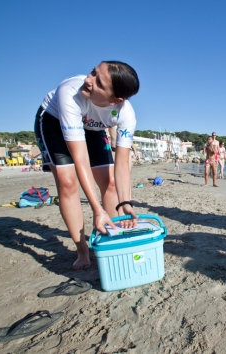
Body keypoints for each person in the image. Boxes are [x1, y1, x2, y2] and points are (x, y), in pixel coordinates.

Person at [34, 61, 140, 270]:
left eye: (98, 82)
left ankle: (109, 241)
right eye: (93, 72)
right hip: (53, 120)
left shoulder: (126, 114)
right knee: (68, 183)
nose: (88, 80)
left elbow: (121, 163)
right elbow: (80, 158)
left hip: (93, 125)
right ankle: (82, 251)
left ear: (115, 100)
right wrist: (97, 209)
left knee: (109, 183)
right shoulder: (70, 92)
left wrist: (125, 202)